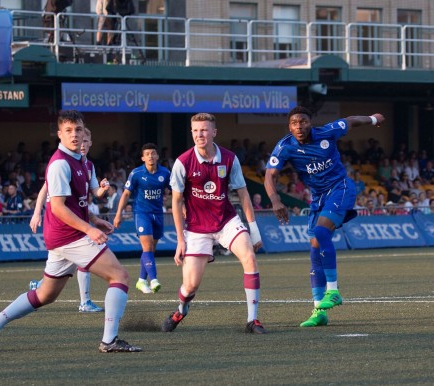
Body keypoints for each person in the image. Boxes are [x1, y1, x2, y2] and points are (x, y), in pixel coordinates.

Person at [0, 110, 141, 353]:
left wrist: (94, 219)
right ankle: (109, 341)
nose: (75, 135)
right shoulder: (60, 164)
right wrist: (89, 229)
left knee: (44, 294)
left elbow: (79, 202)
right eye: (69, 131)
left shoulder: (81, 161)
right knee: (120, 277)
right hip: (69, 235)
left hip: (62, 236)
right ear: (59, 134)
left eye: (78, 130)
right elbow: (60, 209)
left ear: (85, 133)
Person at [264, 106, 385, 328]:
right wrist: (275, 200)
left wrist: (371, 118)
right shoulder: (284, 147)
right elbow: (269, 176)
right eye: (294, 123)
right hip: (318, 197)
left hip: (340, 187)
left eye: (303, 121)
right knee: (314, 248)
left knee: (320, 231)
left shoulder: (327, 132)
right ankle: (319, 310)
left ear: (310, 123)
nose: (299, 126)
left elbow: (350, 119)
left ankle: (333, 290)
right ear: (289, 127)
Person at [161, 113, 266, 334]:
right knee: (190, 286)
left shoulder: (229, 159)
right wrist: (180, 240)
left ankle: (252, 320)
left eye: (204, 130)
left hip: (226, 221)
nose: (200, 134)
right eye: (196, 130)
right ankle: (181, 309)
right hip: (196, 228)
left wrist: (253, 229)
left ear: (214, 132)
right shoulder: (182, 162)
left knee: (249, 257)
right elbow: (176, 201)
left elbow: (243, 194)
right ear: (192, 133)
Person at [29, 127, 111, 313]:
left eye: (85, 141)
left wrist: (102, 188)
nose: (81, 145)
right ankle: (85, 302)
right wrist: (36, 212)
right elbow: (45, 189)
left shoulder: (88, 165)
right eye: (79, 141)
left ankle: (40, 285)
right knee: (99, 267)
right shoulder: (63, 162)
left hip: (76, 218)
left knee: (67, 265)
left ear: (89, 143)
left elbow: (95, 192)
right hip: (61, 219)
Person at [113, 143, 171, 294]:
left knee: (151, 249)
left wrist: (182, 207)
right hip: (141, 213)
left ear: (157, 156)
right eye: (147, 154)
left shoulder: (165, 173)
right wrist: (119, 214)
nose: (150, 156)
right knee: (147, 247)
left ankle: (140, 280)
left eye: (153, 153)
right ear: (143, 157)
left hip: (158, 214)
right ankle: (154, 280)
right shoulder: (136, 173)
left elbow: (174, 192)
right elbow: (126, 194)